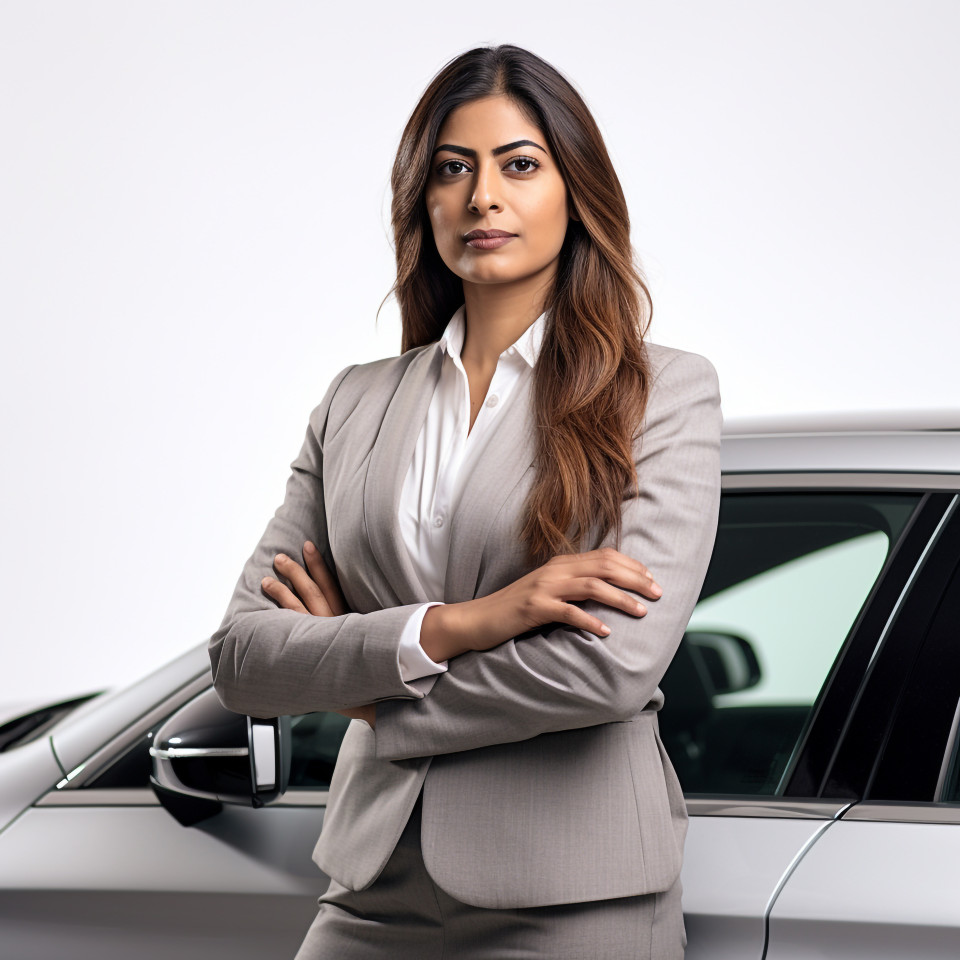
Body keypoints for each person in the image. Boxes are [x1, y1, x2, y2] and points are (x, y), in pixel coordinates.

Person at [208, 43, 721, 960]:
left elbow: (611, 670)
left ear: (576, 190)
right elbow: (246, 658)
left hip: (572, 897)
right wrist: (463, 624)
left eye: (519, 165)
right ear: (425, 201)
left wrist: (364, 696)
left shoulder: (663, 394)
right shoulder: (356, 401)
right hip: (370, 890)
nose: (484, 195)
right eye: (454, 169)